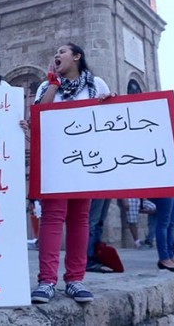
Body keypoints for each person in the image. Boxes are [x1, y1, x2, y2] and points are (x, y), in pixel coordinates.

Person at [29, 43, 110, 305]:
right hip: (56, 160)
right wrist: (53, 83)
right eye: (56, 53)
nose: (57, 55)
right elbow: (39, 116)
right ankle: (47, 281)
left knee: (80, 218)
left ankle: (75, 279)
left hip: (86, 161)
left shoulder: (96, 85)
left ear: (77, 57)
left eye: (63, 52)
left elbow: (108, 116)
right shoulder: (46, 87)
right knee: (52, 218)